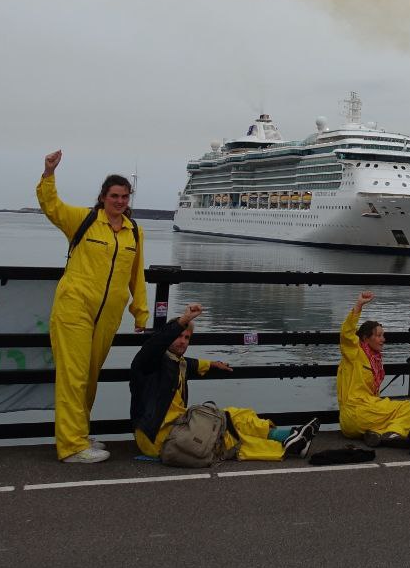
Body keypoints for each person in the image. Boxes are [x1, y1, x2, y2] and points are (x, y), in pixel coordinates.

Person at [37, 150, 149, 463]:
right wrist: (49, 174)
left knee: (89, 375)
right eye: (114, 196)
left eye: (125, 196)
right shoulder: (83, 220)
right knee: (73, 376)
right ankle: (71, 446)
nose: (120, 201)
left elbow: (135, 276)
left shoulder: (134, 232)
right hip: (74, 307)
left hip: (108, 316)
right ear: (102, 197)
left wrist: (140, 311)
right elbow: (52, 206)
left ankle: (79, 434)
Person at [130, 302, 316, 461]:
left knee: (233, 415)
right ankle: (284, 448)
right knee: (224, 438)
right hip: (157, 436)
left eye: (187, 338)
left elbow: (190, 364)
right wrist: (183, 320)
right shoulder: (150, 361)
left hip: (178, 425)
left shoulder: (178, 361)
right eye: (179, 336)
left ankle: (285, 436)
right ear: (169, 336)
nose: (183, 341)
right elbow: (156, 344)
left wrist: (212, 364)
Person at [338, 291, 410, 447]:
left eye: (383, 335)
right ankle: (389, 434)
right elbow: (347, 334)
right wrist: (358, 306)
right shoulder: (355, 352)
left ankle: (376, 434)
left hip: (356, 419)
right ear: (365, 338)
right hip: (358, 412)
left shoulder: (374, 360)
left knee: (401, 413)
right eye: (379, 335)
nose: (383, 339)